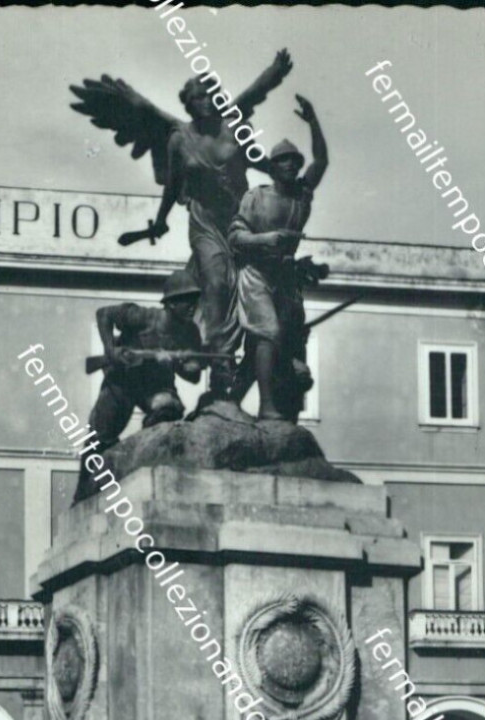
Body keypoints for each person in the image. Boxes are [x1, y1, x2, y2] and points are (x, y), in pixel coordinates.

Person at [143, 53, 295, 405]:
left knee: (253, 286)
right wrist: (162, 218)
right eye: (199, 97)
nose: (208, 101)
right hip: (205, 223)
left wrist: (274, 72)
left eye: (212, 95)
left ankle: (266, 355)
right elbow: (173, 184)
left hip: (241, 221)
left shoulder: (233, 125)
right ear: (189, 104)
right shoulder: (179, 139)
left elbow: (256, 98)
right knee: (215, 282)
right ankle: (220, 365)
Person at [226, 95, 328, 421]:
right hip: (255, 272)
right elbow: (235, 237)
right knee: (266, 331)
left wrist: (313, 121)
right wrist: (267, 239)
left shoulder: (302, 196)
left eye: (294, 162)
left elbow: (321, 162)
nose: (290, 166)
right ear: (272, 166)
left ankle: (237, 398)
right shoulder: (255, 197)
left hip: (285, 277)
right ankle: (266, 406)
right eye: (283, 161)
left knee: (285, 338)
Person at [89, 271, 205, 453]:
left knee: (168, 413)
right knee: (99, 439)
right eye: (187, 300)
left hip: (156, 386)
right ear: (172, 303)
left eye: (195, 300)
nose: (193, 306)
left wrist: (178, 364)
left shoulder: (191, 333)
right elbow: (104, 314)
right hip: (122, 381)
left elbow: (194, 376)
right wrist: (110, 350)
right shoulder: (144, 317)